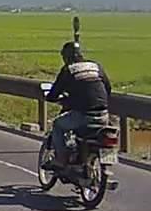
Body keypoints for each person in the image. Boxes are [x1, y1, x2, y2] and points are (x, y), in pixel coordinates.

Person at [43, 41, 112, 169]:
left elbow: (54, 92)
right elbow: (107, 87)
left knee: (58, 125)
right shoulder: (95, 66)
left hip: (83, 115)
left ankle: (61, 159)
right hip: (103, 115)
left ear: (66, 56)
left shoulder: (69, 70)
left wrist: (51, 98)